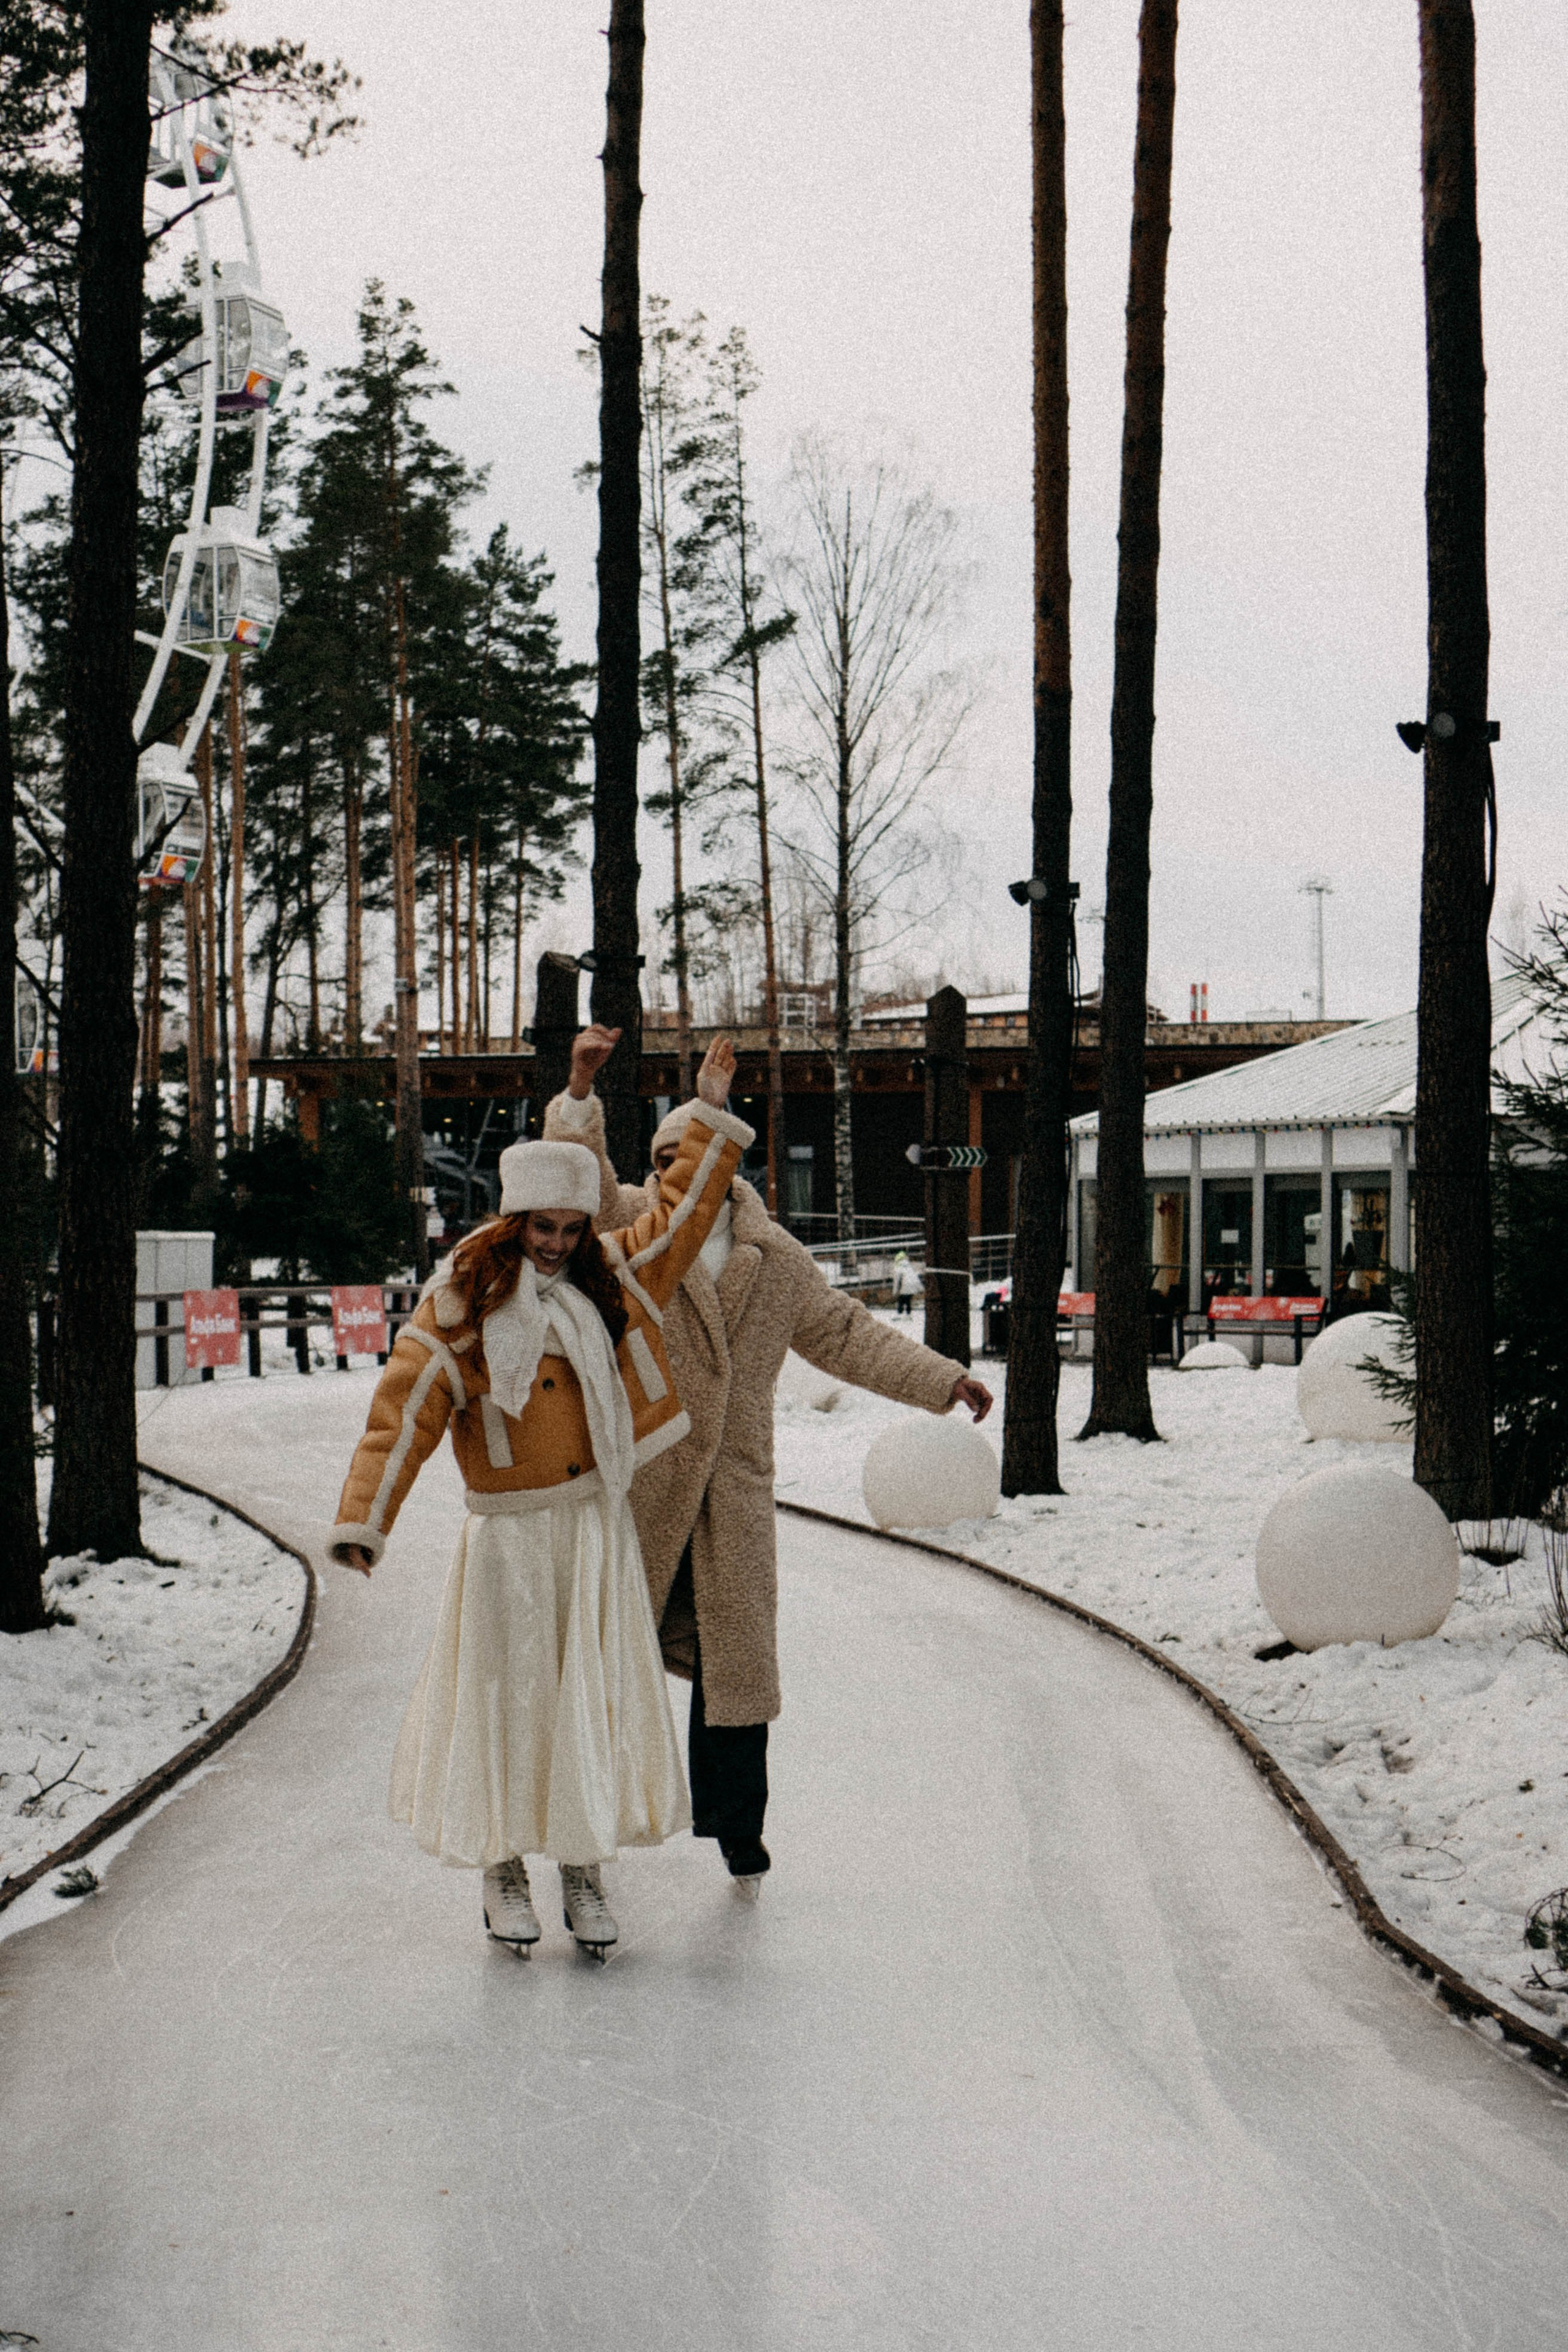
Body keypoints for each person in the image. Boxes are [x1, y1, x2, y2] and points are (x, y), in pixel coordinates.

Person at [330, 1033, 752, 1960]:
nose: (559, 1244)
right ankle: (504, 1866)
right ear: (514, 1220)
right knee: (511, 1700)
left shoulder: (613, 1286)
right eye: (543, 1229)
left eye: (570, 1227)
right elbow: (402, 1413)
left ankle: (584, 1866)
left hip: (592, 1530)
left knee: (584, 1702)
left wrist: (712, 1106)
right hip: (511, 1541)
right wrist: (366, 1518)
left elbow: (680, 1218)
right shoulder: (463, 1302)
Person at [545, 1041, 992, 1894]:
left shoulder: (775, 1256)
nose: (683, 1169)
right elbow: (578, 1181)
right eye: (669, 1156)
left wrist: (945, 1379)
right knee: (611, 1650)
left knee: (738, 1666)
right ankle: (585, 1815)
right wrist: (579, 1092)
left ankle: (735, 1824)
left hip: (734, 1488)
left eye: (697, 1152)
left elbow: (847, 1335)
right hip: (643, 1481)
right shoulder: (633, 1228)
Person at [892, 1250, 921, 1316]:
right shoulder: (910, 1267)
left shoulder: (898, 1268)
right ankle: (908, 1314)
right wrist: (920, 1289)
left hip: (904, 1287)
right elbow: (915, 1278)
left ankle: (900, 1314)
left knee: (901, 1301)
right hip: (912, 1287)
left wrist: (895, 1292)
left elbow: (897, 1281)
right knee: (908, 1301)